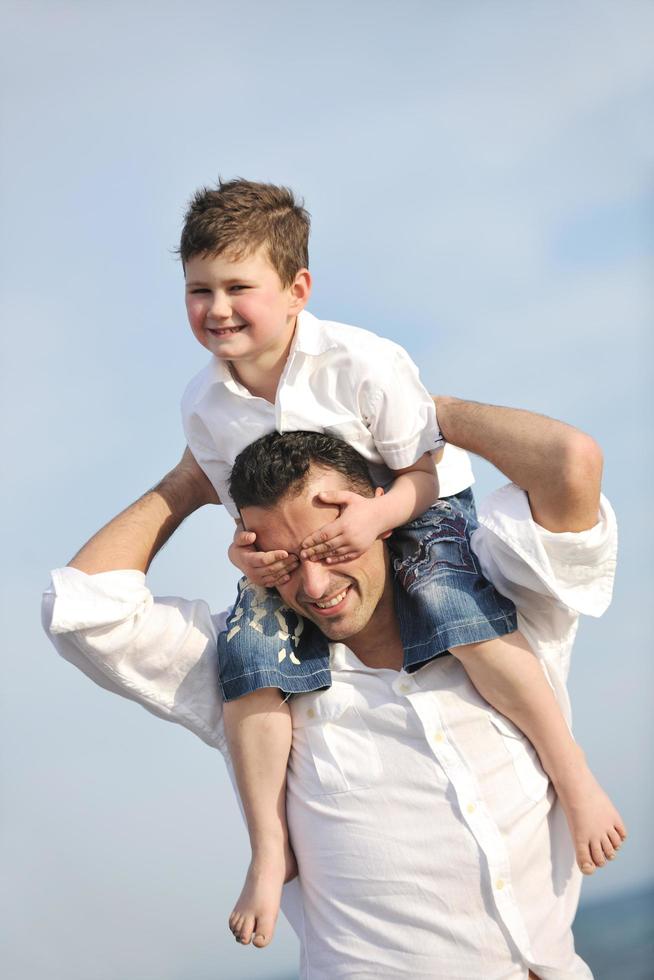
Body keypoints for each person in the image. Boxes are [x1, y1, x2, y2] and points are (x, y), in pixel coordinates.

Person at [178, 178, 624, 944]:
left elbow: (423, 467)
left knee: (461, 615)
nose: (217, 309)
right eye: (199, 290)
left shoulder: (362, 361)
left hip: (411, 514)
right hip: (296, 551)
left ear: (296, 290)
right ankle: (268, 847)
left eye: (237, 288)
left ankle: (570, 771)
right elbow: (241, 511)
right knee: (247, 662)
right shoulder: (204, 405)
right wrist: (245, 554)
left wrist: (380, 514)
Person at [44, 397, 625, 979]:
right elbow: (84, 611)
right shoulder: (252, 674)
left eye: (329, 547)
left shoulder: (498, 598)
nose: (315, 584)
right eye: (285, 562)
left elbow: (571, 462)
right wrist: (189, 482)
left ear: (375, 514)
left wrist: (418, 413)